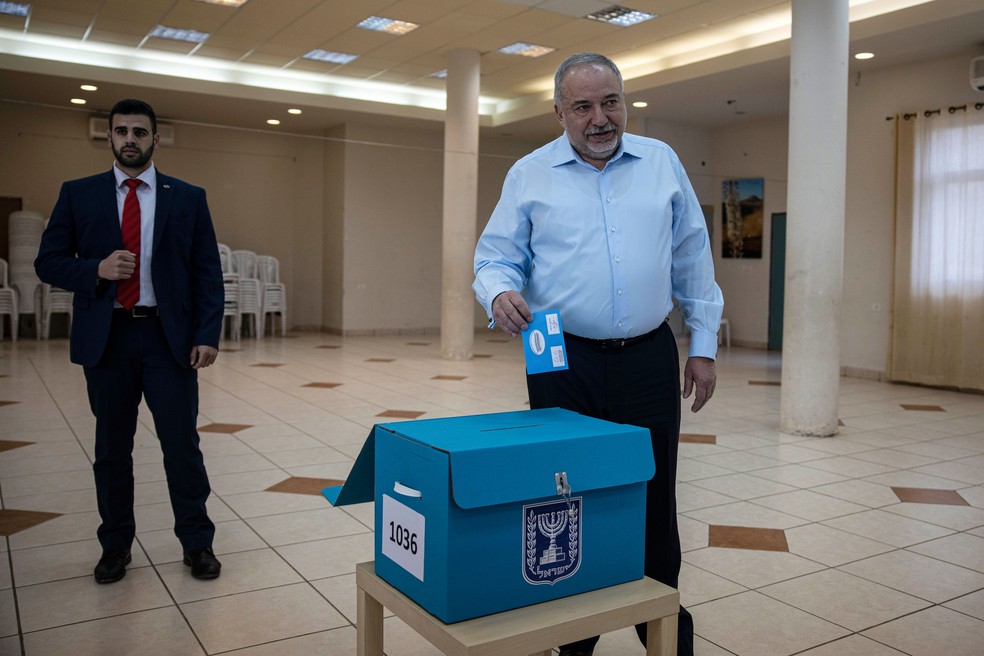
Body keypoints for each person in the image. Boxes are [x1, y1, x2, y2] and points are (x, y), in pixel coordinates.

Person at [473, 53, 723, 656]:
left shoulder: (661, 162)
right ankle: (571, 637)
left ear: (625, 102)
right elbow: (495, 256)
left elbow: (692, 256)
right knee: (565, 494)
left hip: (647, 354)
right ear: (559, 111)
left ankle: (660, 628)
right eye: (582, 106)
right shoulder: (529, 173)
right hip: (558, 355)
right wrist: (500, 290)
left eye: (609, 101)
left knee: (652, 495)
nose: (599, 117)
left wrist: (704, 344)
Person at [35, 99, 224, 584]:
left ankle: (197, 543)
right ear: (109, 138)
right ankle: (116, 545)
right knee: (112, 449)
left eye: (140, 132)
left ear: (155, 139)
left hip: (169, 340)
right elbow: (48, 261)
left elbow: (206, 271)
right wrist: (93, 269)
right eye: (122, 131)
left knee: (182, 445)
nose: (130, 140)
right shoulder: (79, 194)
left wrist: (206, 333)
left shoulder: (187, 196)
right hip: (109, 338)